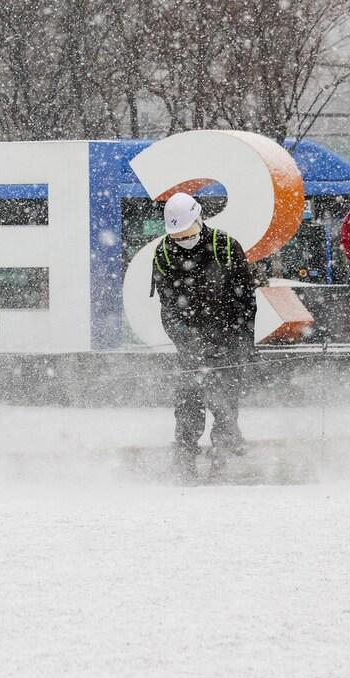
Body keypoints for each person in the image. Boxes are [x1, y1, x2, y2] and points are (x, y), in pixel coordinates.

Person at [150, 192, 260, 477]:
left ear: (200, 220)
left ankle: (222, 460)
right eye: (177, 236)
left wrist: (241, 343)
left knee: (225, 403)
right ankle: (184, 459)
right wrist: (188, 343)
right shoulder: (164, 254)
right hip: (190, 341)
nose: (183, 240)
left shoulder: (225, 247)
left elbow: (246, 303)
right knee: (188, 400)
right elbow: (169, 309)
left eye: (187, 234)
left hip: (228, 338)